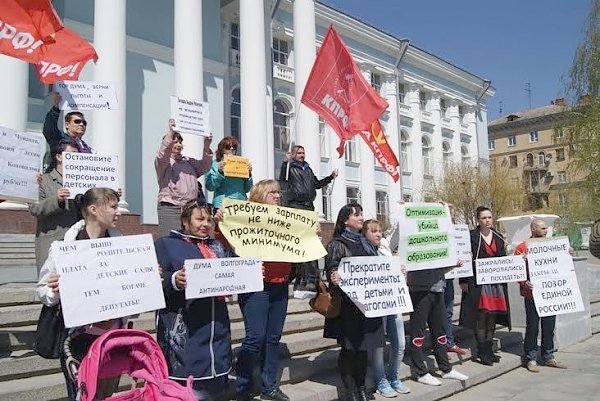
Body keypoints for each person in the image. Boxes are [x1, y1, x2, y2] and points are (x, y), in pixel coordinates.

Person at [36, 188, 123, 401]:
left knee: (107, 395)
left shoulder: (123, 246)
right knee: (81, 396)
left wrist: (147, 278)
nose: (118, 212)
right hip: (77, 341)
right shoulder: (64, 248)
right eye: (112, 207)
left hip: (112, 338)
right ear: (93, 210)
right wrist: (53, 289)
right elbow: (43, 292)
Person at [154, 200, 233, 401]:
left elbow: (234, 272)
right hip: (187, 329)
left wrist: (251, 273)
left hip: (217, 327)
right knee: (186, 388)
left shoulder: (217, 246)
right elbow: (151, 283)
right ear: (184, 221)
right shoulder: (166, 244)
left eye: (208, 219)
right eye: (199, 219)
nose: (205, 224)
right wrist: (174, 280)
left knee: (214, 387)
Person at [235, 180, 292, 401]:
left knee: (273, 338)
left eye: (279, 192)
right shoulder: (247, 219)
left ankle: (270, 387)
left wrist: (311, 233)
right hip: (256, 286)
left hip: (280, 284)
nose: (278, 196)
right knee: (255, 338)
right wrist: (221, 220)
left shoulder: (287, 220)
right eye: (272, 193)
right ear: (259, 196)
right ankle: (243, 389)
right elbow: (227, 239)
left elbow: (301, 245)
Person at [326, 203, 383, 401]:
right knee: (350, 349)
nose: (360, 218)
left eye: (361, 214)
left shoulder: (366, 244)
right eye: (356, 215)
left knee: (364, 349)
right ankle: (350, 390)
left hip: (366, 306)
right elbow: (332, 269)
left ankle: (361, 387)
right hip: (348, 308)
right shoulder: (337, 244)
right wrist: (334, 276)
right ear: (345, 220)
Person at [405, 224, 468, 386]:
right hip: (419, 290)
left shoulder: (438, 244)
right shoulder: (413, 242)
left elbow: (440, 271)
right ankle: (420, 372)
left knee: (439, 331)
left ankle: (446, 369)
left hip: (438, 288)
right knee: (418, 332)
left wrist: (454, 265)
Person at [279, 145, 338, 298]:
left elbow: (317, 185)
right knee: (298, 243)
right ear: (293, 154)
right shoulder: (289, 168)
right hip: (295, 207)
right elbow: (282, 182)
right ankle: (295, 276)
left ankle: (310, 280)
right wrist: (285, 163)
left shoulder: (308, 169)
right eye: (299, 153)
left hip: (308, 208)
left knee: (309, 242)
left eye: (303, 153)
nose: (302, 155)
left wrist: (330, 177)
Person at [362, 220, 409, 397]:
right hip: (377, 305)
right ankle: (381, 381)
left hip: (393, 301)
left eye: (380, 231)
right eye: (374, 231)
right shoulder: (364, 251)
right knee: (379, 346)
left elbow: (397, 234)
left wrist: (400, 271)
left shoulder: (384, 247)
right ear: (365, 233)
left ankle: (394, 377)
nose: (378, 234)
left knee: (400, 344)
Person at [515, 219, 570, 372]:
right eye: (543, 228)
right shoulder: (522, 247)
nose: (546, 231)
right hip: (531, 294)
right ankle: (531, 358)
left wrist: (568, 253)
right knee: (532, 327)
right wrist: (524, 282)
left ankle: (548, 356)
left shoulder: (552, 245)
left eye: (546, 228)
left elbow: (561, 264)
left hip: (550, 294)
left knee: (549, 326)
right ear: (533, 229)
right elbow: (515, 270)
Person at [459, 206, 511, 366]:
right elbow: (464, 258)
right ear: (478, 220)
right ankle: (482, 352)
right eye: (484, 218)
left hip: (495, 283)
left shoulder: (498, 236)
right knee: (482, 317)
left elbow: (503, 258)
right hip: (478, 283)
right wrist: (463, 280)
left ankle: (489, 349)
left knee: (493, 316)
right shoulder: (472, 236)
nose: (487, 220)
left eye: (489, 217)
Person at [155, 118, 213, 238]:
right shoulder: (164, 163)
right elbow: (162, 154)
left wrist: (206, 146)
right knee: (172, 243)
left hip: (190, 209)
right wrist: (170, 132)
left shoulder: (188, 162)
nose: (178, 145)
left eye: (180, 142)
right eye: (174, 142)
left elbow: (204, 167)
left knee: (190, 243)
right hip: (171, 208)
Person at [29, 138, 80, 273]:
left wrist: (112, 192)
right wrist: (56, 199)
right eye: (72, 154)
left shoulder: (82, 181)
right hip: (52, 242)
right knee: (49, 287)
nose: (77, 158)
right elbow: (35, 208)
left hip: (76, 243)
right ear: (59, 157)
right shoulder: (42, 180)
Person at [443, 204, 467, 356]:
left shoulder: (457, 231)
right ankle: (441, 341)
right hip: (432, 279)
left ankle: (448, 341)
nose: (452, 216)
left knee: (448, 311)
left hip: (448, 277)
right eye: (449, 213)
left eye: (453, 214)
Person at [205, 136, 253, 209]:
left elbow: (247, 189)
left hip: (240, 205)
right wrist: (219, 172)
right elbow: (210, 187)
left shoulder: (241, 164)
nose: (231, 148)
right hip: (222, 205)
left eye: (234, 146)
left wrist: (249, 174)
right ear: (221, 149)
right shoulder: (214, 164)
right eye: (228, 147)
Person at [43, 92, 92, 156]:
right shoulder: (60, 138)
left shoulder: (87, 148)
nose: (81, 124)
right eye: (77, 121)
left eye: (84, 123)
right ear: (67, 125)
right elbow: (49, 128)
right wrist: (56, 106)